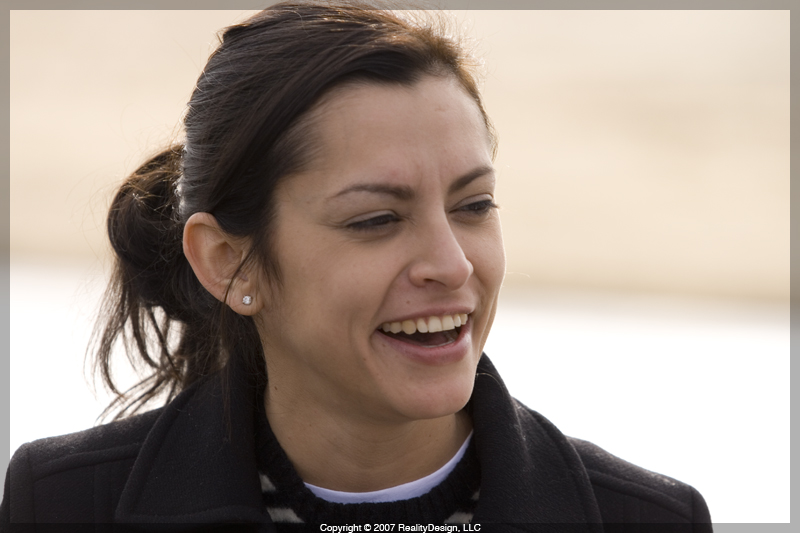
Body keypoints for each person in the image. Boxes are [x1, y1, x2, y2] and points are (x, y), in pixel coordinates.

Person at [1, 2, 712, 529]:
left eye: (474, 205)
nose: (451, 263)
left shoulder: (648, 519)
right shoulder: (65, 504)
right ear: (229, 262)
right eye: (377, 219)